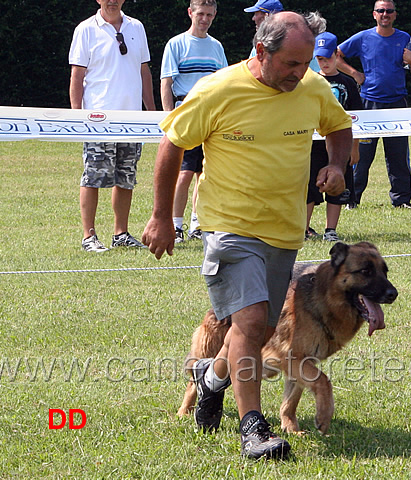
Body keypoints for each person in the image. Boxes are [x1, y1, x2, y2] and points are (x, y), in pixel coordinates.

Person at [142, 12, 353, 459]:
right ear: (261, 51)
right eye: (292, 64)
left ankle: (211, 378)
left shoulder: (312, 87)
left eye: (306, 63)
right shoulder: (219, 89)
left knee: (254, 333)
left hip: (284, 229)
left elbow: (338, 127)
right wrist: (163, 216)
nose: (300, 73)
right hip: (228, 225)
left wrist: (336, 166)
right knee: (253, 320)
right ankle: (254, 429)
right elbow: (172, 144)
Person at [69, 0, 155, 252]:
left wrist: (151, 113)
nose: (112, 1)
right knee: (93, 177)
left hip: (132, 121)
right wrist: (77, 117)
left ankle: (121, 233)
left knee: (126, 177)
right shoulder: (85, 29)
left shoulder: (136, 27)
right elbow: (77, 75)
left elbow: (144, 71)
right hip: (97, 121)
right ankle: (89, 236)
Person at [336, 0, 411, 209]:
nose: (385, 14)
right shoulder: (363, 37)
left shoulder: (404, 39)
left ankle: (402, 200)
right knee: (361, 155)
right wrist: (355, 74)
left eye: (389, 11)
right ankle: (352, 199)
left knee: (398, 154)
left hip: (397, 103)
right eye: (381, 11)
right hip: (368, 104)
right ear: (374, 14)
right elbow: (336, 55)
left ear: (394, 15)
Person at [160, 0, 228, 243]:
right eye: (200, 13)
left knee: (205, 172)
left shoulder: (217, 46)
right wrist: (170, 117)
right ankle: (175, 224)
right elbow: (166, 83)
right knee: (184, 172)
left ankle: (197, 223)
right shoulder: (176, 44)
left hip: (212, 116)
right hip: (186, 113)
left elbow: (223, 83)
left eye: (209, 14)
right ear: (190, 13)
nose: (205, 19)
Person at [305, 32, 361, 242]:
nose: (324, 63)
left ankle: (331, 230)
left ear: (337, 55)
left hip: (340, 143)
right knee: (310, 185)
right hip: (314, 143)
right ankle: (305, 227)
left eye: (328, 58)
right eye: (319, 59)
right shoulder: (309, 82)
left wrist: (354, 148)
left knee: (338, 185)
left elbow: (359, 118)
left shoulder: (347, 83)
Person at [244, 0, 321, 72]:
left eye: (256, 14)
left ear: (266, 16)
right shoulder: (261, 43)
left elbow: (317, 70)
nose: (253, 18)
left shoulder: (297, 41)